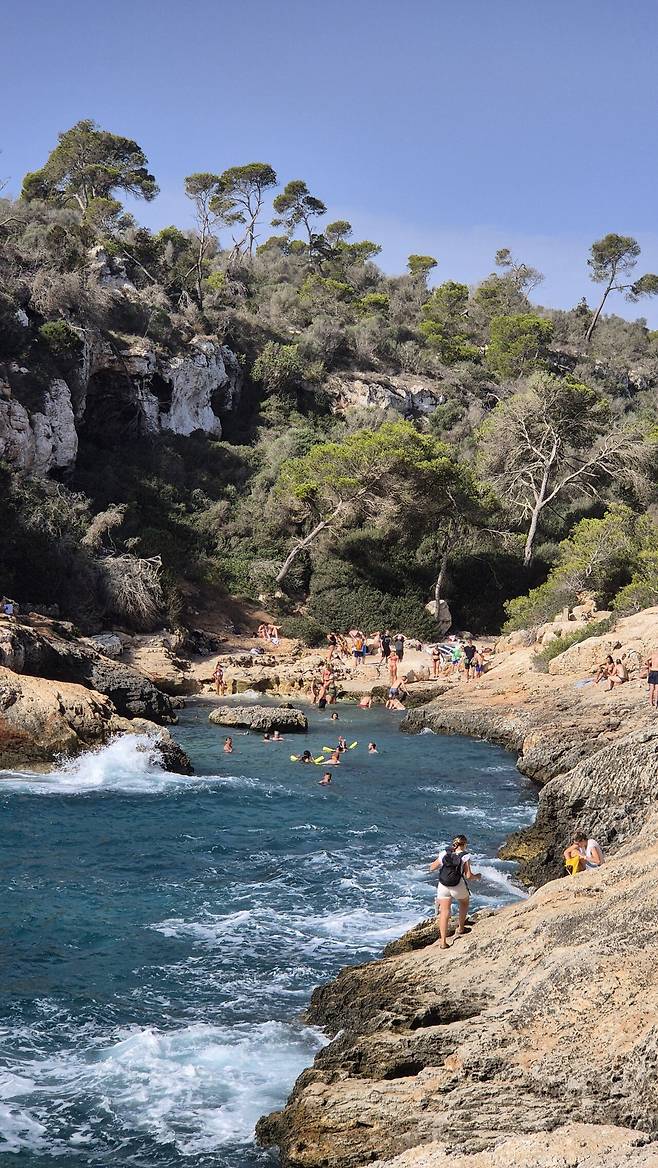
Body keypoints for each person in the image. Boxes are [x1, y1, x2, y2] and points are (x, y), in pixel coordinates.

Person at [430, 835, 480, 949]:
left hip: (443, 885)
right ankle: (461, 928)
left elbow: (432, 867)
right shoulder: (465, 856)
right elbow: (468, 876)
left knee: (444, 912)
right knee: (464, 902)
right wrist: (477, 876)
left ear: (454, 844)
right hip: (457, 885)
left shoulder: (444, 853)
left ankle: (443, 942)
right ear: (464, 844)